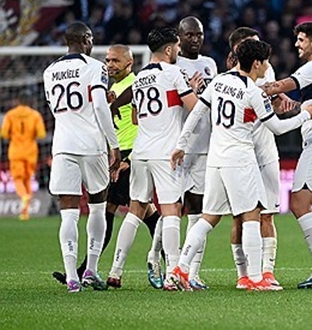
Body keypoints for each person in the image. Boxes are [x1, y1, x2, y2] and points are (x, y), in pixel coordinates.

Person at [169, 39, 312, 291]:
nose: (266, 67)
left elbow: (198, 112)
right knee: (252, 215)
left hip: (216, 159)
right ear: (256, 63)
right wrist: (306, 114)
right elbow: (277, 127)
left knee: (208, 218)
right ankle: (254, 278)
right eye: (265, 62)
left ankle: (180, 268)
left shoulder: (218, 80)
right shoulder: (253, 92)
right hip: (240, 159)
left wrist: (181, 144)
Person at [51, 44, 162, 287]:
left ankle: (88, 270)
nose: (110, 64)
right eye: (108, 60)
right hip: (116, 155)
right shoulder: (112, 87)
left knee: (110, 208)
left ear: (129, 64)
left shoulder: (136, 86)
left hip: (126, 156)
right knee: (147, 212)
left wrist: (127, 158)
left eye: (115, 61)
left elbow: (144, 122)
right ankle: (166, 262)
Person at [106, 27, 197, 290]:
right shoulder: (174, 73)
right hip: (164, 153)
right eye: (177, 47)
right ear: (169, 49)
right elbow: (193, 107)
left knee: (135, 212)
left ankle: (115, 271)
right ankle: (172, 274)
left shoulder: (140, 77)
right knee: (171, 211)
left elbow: (135, 117)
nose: (179, 51)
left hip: (141, 152)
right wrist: (191, 92)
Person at [261, 21, 312, 288]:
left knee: (298, 203)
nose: (297, 44)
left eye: (301, 40)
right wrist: (295, 107)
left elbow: (278, 86)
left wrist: (248, 89)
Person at [43, 21, 121, 292]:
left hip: (63, 145)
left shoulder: (49, 71)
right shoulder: (95, 66)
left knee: (69, 213)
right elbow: (98, 106)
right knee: (98, 205)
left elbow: (56, 108)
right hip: (92, 145)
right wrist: (114, 144)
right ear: (86, 39)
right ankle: (91, 269)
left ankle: (71, 278)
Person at [226, 27, 298, 290]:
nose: (258, 52)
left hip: (265, 148)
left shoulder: (267, 71)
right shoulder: (229, 78)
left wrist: (280, 103)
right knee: (239, 217)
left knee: (267, 213)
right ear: (237, 49)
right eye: (251, 45)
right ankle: (243, 273)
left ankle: (267, 271)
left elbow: (271, 106)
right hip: (240, 151)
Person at [172, 16, 218, 291]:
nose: (195, 38)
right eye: (189, 34)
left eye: (198, 34)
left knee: (199, 209)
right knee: (172, 209)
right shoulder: (172, 65)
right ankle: (164, 265)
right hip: (177, 145)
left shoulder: (210, 64)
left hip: (204, 146)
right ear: (179, 37)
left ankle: (192, 272)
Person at [1, 91, 46, 221]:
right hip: (31, 152)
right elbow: (41, 134)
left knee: (18, 179)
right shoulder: (35, 115)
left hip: (15, 151)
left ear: (17, 101)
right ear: (30, 102)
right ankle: (25, 212)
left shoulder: (10, 114)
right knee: (27, 180)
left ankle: (24, 196)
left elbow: (4, 134)